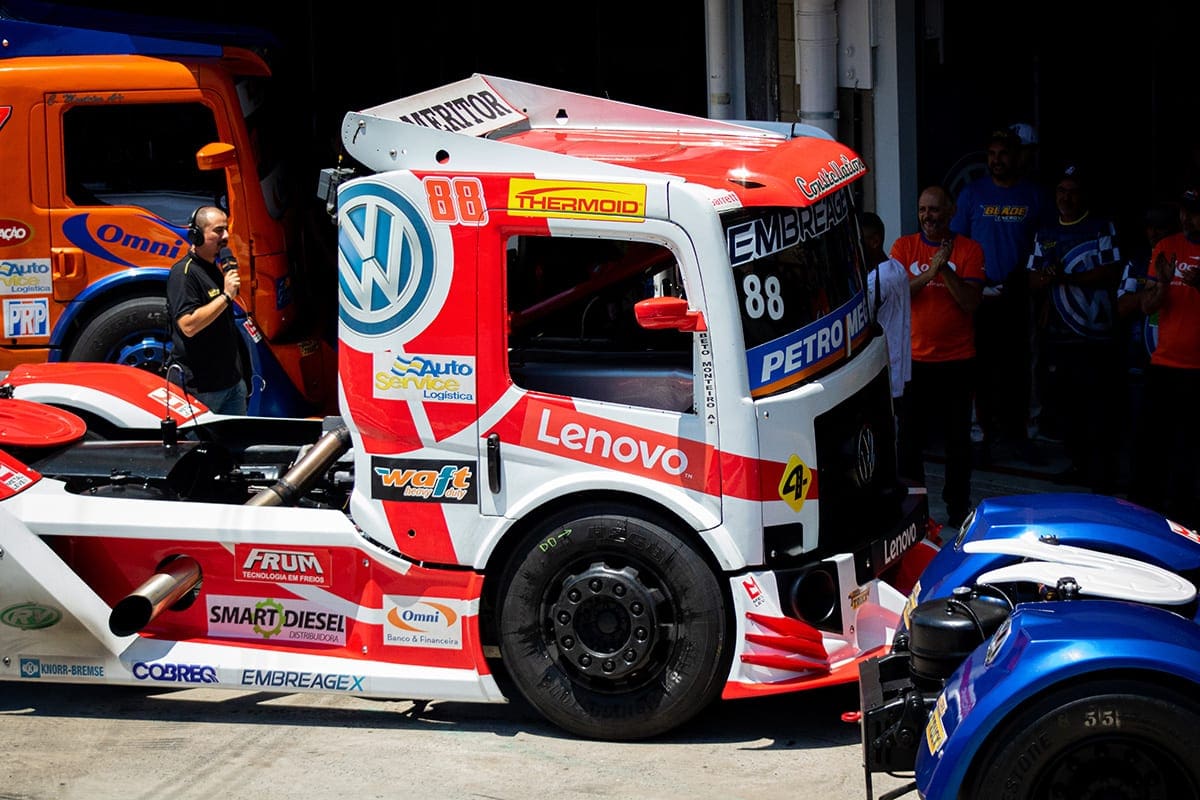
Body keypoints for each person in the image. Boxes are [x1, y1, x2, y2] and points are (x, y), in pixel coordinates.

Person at [952, 128, 1049, 465]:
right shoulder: (972, 193)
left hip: (1019, 295)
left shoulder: (1033, 195)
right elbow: (957, 243)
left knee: (1022, 368)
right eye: (991, 155)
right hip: (980, 293)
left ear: (1016, 156)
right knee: (979, 368)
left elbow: (1046, 242)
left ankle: (1022, 436)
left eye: (1003, 154)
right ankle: (980, 437)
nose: (997, 161)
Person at [891, 186, 986, 527]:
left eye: (934, 209)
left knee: (958, 441)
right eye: (922, 210)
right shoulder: (903, 247)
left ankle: (958, 507)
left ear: (951, 212)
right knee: (909, 441)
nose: (928, 216)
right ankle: (911, 507)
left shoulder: (970, 249)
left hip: (957, 362)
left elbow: (971, 303)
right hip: (914, 362)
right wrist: (930, 273)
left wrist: (945, 269)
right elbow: (898, 293)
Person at [1026, 165, 1122, 493]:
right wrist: (1047, 277)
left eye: (1073, 191)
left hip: (1096, 333)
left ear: (1084, 194)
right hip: (1058, 332)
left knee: (1097, 403)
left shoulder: (1100, 226)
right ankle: (1078, 464)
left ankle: (1103, 470)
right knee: (1068, 404)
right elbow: (1032, 277)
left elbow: (1111, 272)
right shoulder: (1046, 229)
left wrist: (1065, 277)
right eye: (1061, 191)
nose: (1066, 198)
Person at [1128, 189, 1200, 527]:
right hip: (1164, 364)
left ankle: (1187, 526)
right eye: (1186, 212)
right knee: (1149, 450)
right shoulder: (1166, 246)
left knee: (1189, 456)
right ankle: (1144, 522)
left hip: (1196, 371)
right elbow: (1146, 306)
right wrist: (1163, 285)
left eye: (1195, 213)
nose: (1188, 219)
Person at [166, 205, 247, 414]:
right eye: (218, 231)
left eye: (226, 229)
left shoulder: (216, 268)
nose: (226, 236)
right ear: (197, 236)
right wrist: (226, 295)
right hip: (202, 390)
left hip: (231, 384)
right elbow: (188, 325)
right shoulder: (184, 274)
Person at [860, 211, 911, 402]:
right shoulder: (897, 268)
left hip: (884, 369)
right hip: (900, 368)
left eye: (861, 240)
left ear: (874, 241)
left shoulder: (877, 281)